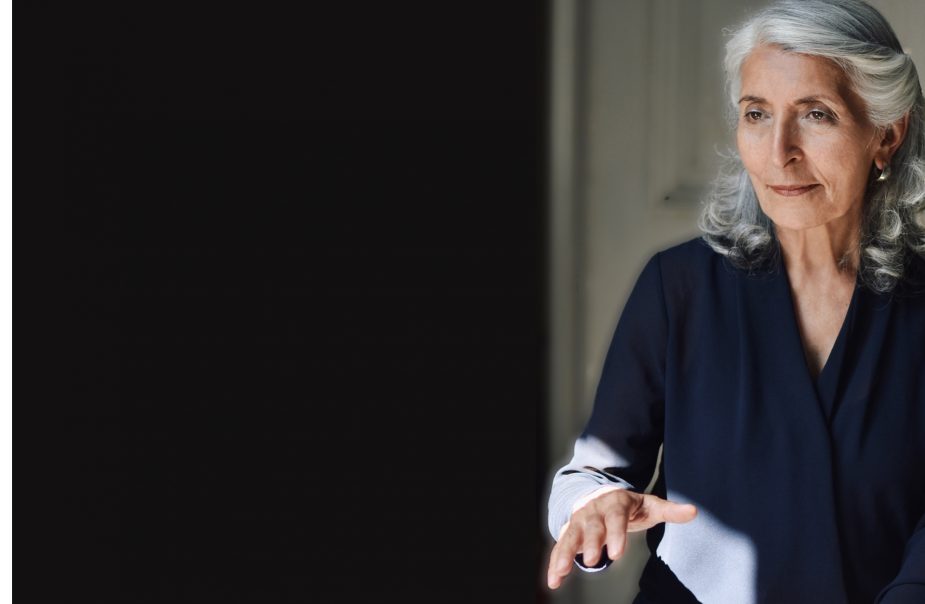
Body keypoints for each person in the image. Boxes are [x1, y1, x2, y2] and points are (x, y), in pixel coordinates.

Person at [545, 1, 925, 602]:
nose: (779, 152)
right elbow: (590, 471)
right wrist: (593, 504)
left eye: (816, 114)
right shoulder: (677, 287)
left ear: (887, 133)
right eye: (756, 113)